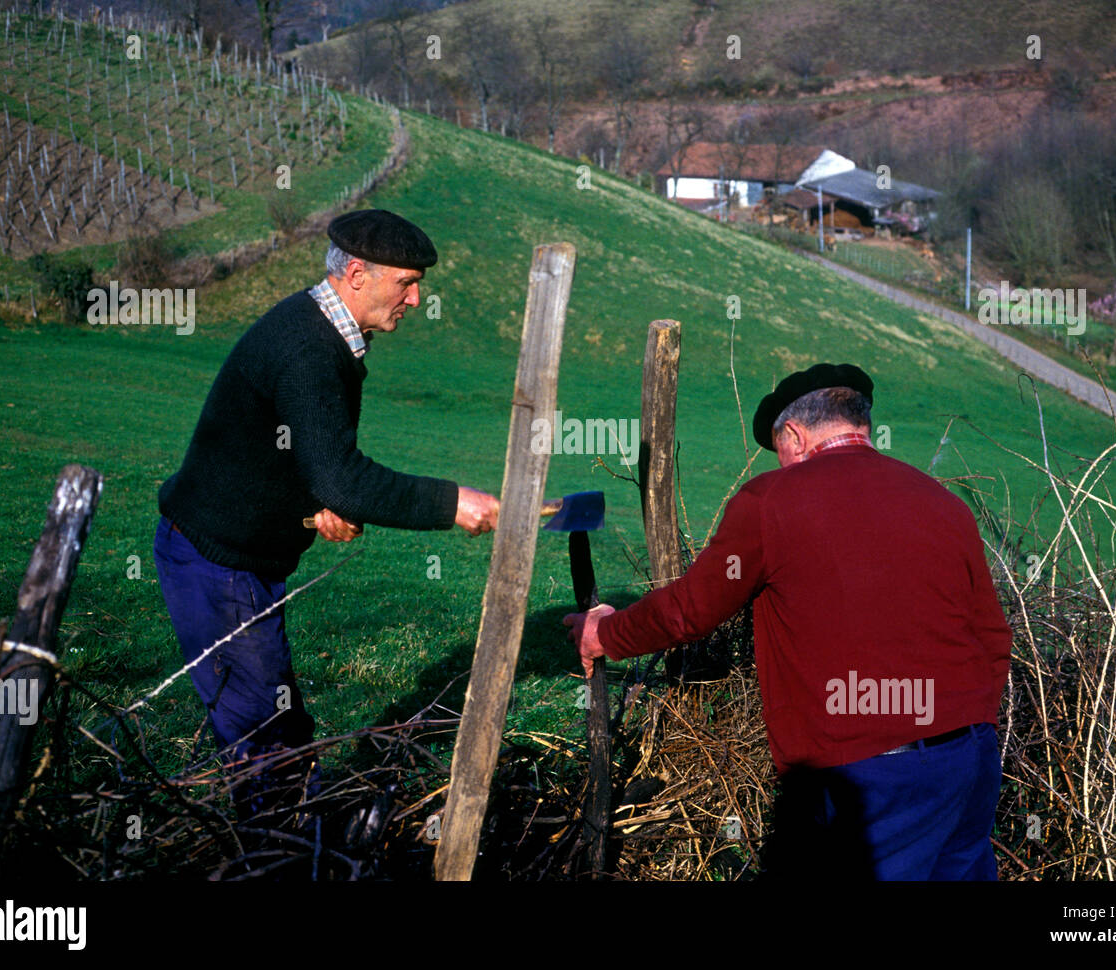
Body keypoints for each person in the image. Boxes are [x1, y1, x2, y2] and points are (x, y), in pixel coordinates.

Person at [564, 363, 1013, 879]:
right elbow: (991, 636)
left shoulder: (772, 500)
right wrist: (966, 722)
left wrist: (605, 633)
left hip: (867, 772)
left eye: (777, 449)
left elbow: (692, 608)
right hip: (971, 759)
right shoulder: (944, 504)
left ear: (795, 435)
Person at [154, 209, 499, 821]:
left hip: (231, 557)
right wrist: (453, 504)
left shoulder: (322, 331)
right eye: (407, 283)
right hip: (217, 566)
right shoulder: (309, 350)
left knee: (275, 724)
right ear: (359, 274)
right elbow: (343, 475)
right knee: (268, 741)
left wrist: (312, 504)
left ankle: (282, 843)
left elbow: (287, 450)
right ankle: (274, 856)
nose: (417, 300)